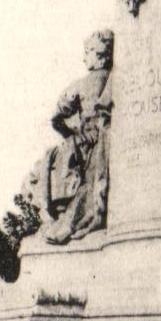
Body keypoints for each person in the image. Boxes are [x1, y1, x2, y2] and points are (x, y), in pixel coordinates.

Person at [32, 31, 114, 244]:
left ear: (99, 54)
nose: (84, 58)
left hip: (87, 143)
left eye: (87, 52)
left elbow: (56, 118)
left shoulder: (80, 85)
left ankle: (66, 220)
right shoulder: (116, 77)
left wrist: (74, 135)